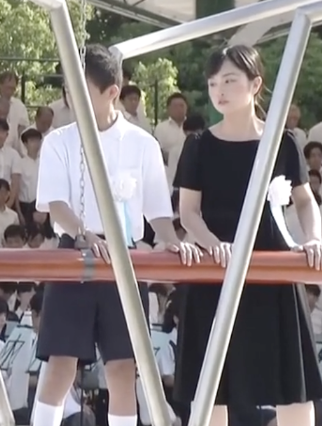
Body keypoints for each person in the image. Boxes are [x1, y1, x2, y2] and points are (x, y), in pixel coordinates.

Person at [31, 44, 199, 427]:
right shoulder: (60, 140)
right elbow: (54, 204)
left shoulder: (143, 143)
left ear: (111, 92)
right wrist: (84, 233)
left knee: (123, 367)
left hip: (124, 257)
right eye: (67, 90)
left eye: (81, 90)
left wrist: (170, 239)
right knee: (60, 364)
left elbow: (157, 210)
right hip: (74, 254)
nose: (70, 98)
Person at [173, 44, 322, 426]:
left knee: (294, 389)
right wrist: (214, 245)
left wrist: (312, 238)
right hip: (215, 273)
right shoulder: (198, 145)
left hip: (272, 270)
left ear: (255, 84)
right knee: (212, 391)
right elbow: (188, 213)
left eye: (229, 80)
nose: (219, 91)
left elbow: (305, 200)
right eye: (212, 83)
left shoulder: (283, 141)